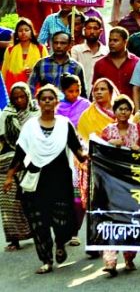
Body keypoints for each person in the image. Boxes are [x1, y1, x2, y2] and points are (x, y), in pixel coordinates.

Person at [3, 85, 88, 275]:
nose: (47, 101)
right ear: (38, 102)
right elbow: (20, 153)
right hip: (36, 180)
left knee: (62, 220)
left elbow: (77, 151)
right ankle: (46, 260)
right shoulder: (30, 127)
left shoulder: (65, 124)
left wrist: (90, 156)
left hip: (60, 180)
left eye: (51, 98)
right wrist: (9, 176)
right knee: (38, 223)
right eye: (44, 98)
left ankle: (60, 243)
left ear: (57, 102)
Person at [98, 95, 140, 276]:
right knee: (112, 220)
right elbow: (98, 151)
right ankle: (110, 261)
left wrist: (136, 147)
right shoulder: (107, 130)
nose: (123, 112)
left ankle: (129, 258)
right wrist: (109, 144)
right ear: (114, 112)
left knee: (130, 220)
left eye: (126, 109)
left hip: (132, 182)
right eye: (119, 109)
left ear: (131, 112)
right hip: (112, 182)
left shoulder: (137, 130)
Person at [0, 83, 37, 252]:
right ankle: (14, 239)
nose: (19, 100)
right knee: (8, 201)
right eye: (16, 98)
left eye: (23, 96)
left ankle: (37, 233)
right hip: (9, 159)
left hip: (32, 159)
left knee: (31, 200)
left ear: (28, 96)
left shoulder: (36, 113)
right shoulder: (6, 115)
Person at [2, 18, 46, 94]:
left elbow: (46, 69)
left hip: (35, 88)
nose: (23, 33)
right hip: (14, 87)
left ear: (31, 32)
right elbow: (4, 71)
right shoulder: (10, 50)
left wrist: (34, 72)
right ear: (17, 34)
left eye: (26, 30)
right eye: (20, 31)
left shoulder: (41, 48)